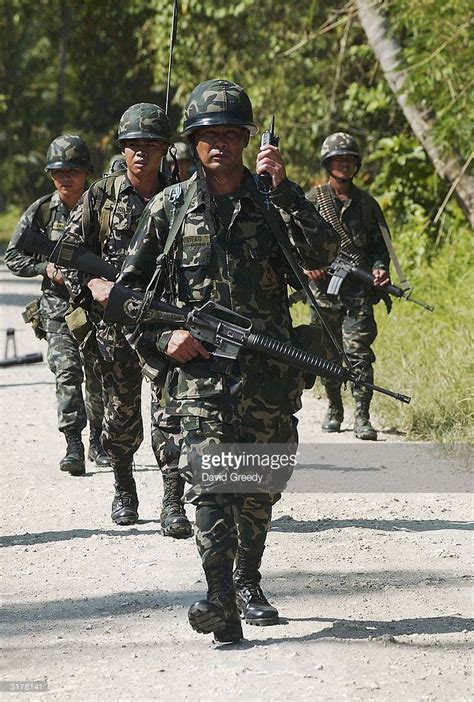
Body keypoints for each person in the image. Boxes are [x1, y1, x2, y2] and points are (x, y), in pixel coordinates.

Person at [88, 79, 339, 642]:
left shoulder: (273, 204)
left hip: (267, 376)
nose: (219, 143)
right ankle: (220, 597)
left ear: (247, 140)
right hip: (199, 377)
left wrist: (287, 190)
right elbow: (126, 301)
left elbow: (325, 252)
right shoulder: (169, 209)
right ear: (193, 143)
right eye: (208, 134)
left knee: (258, 487)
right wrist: (163, 342)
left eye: (230, 133)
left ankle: (248, 578)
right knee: (210, 483)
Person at [60, 104, 192, 535]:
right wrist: (92, 285)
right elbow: (68, 252)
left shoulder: (182, 193)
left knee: (170, 413)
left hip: (162, 324)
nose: (141, 154)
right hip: (113, 328)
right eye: (134, 146)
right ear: (123, 149)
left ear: (164, 150)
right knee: (120, 414)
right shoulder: (100, 195)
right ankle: (124, 488)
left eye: (150, 145)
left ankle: (174, 500)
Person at [4, 135, 107, 475]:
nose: (66, 178)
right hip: (58, 307)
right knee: (67, 372)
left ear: (86, 172)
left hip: (96, 306)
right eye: (59, 171)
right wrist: (43, 267)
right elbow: (14, 256)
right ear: (50, 174)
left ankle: (99, 441)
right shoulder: (43, 211)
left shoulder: (102, 206)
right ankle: (74, 443)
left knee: (99, 376)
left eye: (73, 171)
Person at [305, 132, 392, 440]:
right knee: (328, 354)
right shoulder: (313, 200)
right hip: (323, 292)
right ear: (327, 163)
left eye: (349, 159)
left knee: (359, 354)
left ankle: (362, 415)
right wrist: (308, 265)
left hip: (357, 293)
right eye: (338, 159)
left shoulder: (367, 205)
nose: (344, 164)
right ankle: (333, 408)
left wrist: (380, 269)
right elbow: (293, 238)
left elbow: (381, 249)